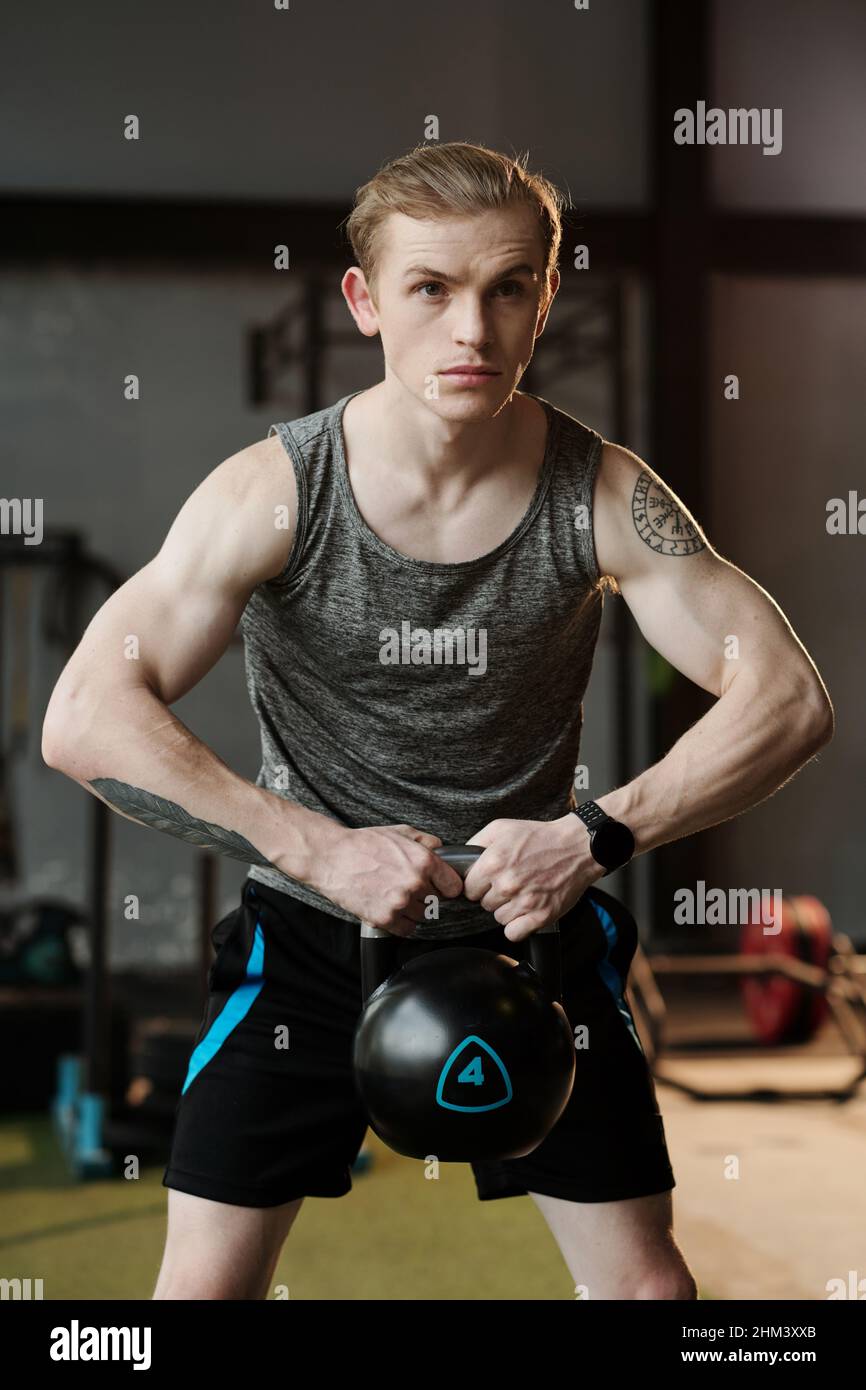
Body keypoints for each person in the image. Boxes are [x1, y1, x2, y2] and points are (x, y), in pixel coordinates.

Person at [42, 141, 834, 1301]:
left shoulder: (601, 492)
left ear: (543, 297)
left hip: (532, 937)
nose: (472, 329)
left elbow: (787, 696)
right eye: (431, 288)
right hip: (309, 946)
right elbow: (84, 714)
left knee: (648, 1293)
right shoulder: (276, 490)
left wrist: (591, 835)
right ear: (365, 301)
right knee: (197, 1300)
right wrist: (312, 844)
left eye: (508, 286)